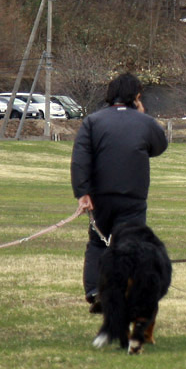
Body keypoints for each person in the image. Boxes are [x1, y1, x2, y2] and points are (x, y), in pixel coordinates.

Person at [71, 73, 169, 310]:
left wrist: (82, 192)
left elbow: (80, 159)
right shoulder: (144, 122)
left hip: (100, 197)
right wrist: (142, 116)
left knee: (97, 243)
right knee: (130, 246)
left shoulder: (93, 121)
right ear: (135, 97)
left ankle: (95, 290)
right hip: (133, 197)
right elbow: (159, 146)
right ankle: (126, 289)